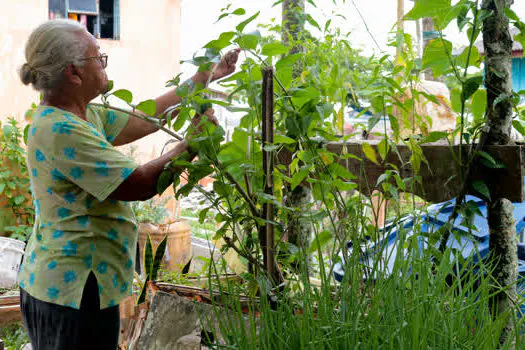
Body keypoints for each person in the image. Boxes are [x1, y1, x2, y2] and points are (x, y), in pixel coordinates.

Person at [17, 19, 239, 350]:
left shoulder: (83, 114)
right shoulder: (58, 130)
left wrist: (203, 77)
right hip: (71, 290)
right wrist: (190, 144)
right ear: (74, 73)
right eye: (99, 58)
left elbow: (144, 119)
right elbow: (139, 184)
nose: (105, 63)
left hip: (81, 283)